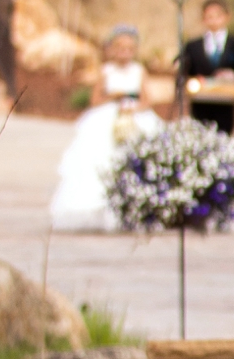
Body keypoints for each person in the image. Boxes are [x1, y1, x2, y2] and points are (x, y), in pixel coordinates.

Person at [50, 27, 161, 233]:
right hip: (107, 116)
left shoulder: (138, 70)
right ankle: (100, 206)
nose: (124, 53)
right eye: (120, 48)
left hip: (133, 114)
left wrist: (133, 108)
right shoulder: (106, 70)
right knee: (100, 158)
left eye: (129, 48)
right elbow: (95, 100)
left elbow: (147, 99)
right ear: (111, 49)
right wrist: (114, 97)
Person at [177, 0, 234, 139]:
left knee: (224, 139)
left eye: (217, 16)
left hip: (225, 104)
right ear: (203, 19)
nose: (213, 20)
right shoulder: (193, 46)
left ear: (226, 17)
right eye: (209, 16)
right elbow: (185, 75)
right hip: (201, 104)